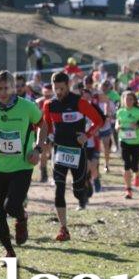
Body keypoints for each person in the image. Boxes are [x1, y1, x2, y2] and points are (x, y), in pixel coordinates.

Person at [0, 70, 46, 260]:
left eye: (6, 88)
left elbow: (43, 125)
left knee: (12, 207)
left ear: (13, 88)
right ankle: (9, 251)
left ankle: (22, 218)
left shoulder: (27, 107)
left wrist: (38, 148)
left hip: (22, 166)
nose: (3, 92)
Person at [43, 72, 105, 241]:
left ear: (68, 86)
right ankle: (63, 228)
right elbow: (47, 125)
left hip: (78, 151)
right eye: (56, 89)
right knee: (59, 188)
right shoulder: (49, 105)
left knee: (79, 192)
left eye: (61, 89)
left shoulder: (80, 102)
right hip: (59, 152)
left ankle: (85, 185)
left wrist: (87, 135)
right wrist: (48, 138)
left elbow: (99, 120)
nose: (58, 92)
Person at [115, 91, 139, 199]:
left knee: (134, 165)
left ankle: (137, 173)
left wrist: (138, 126)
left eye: (130, 99)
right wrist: (117, 127)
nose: (128, 101)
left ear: (134, 100)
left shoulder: (138, 112)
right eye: (126, 99)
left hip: (137, 142)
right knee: (126, 164)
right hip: (124, 141)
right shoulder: (120, 112)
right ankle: (128, 190)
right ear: (123, 100)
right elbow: (117, 122)